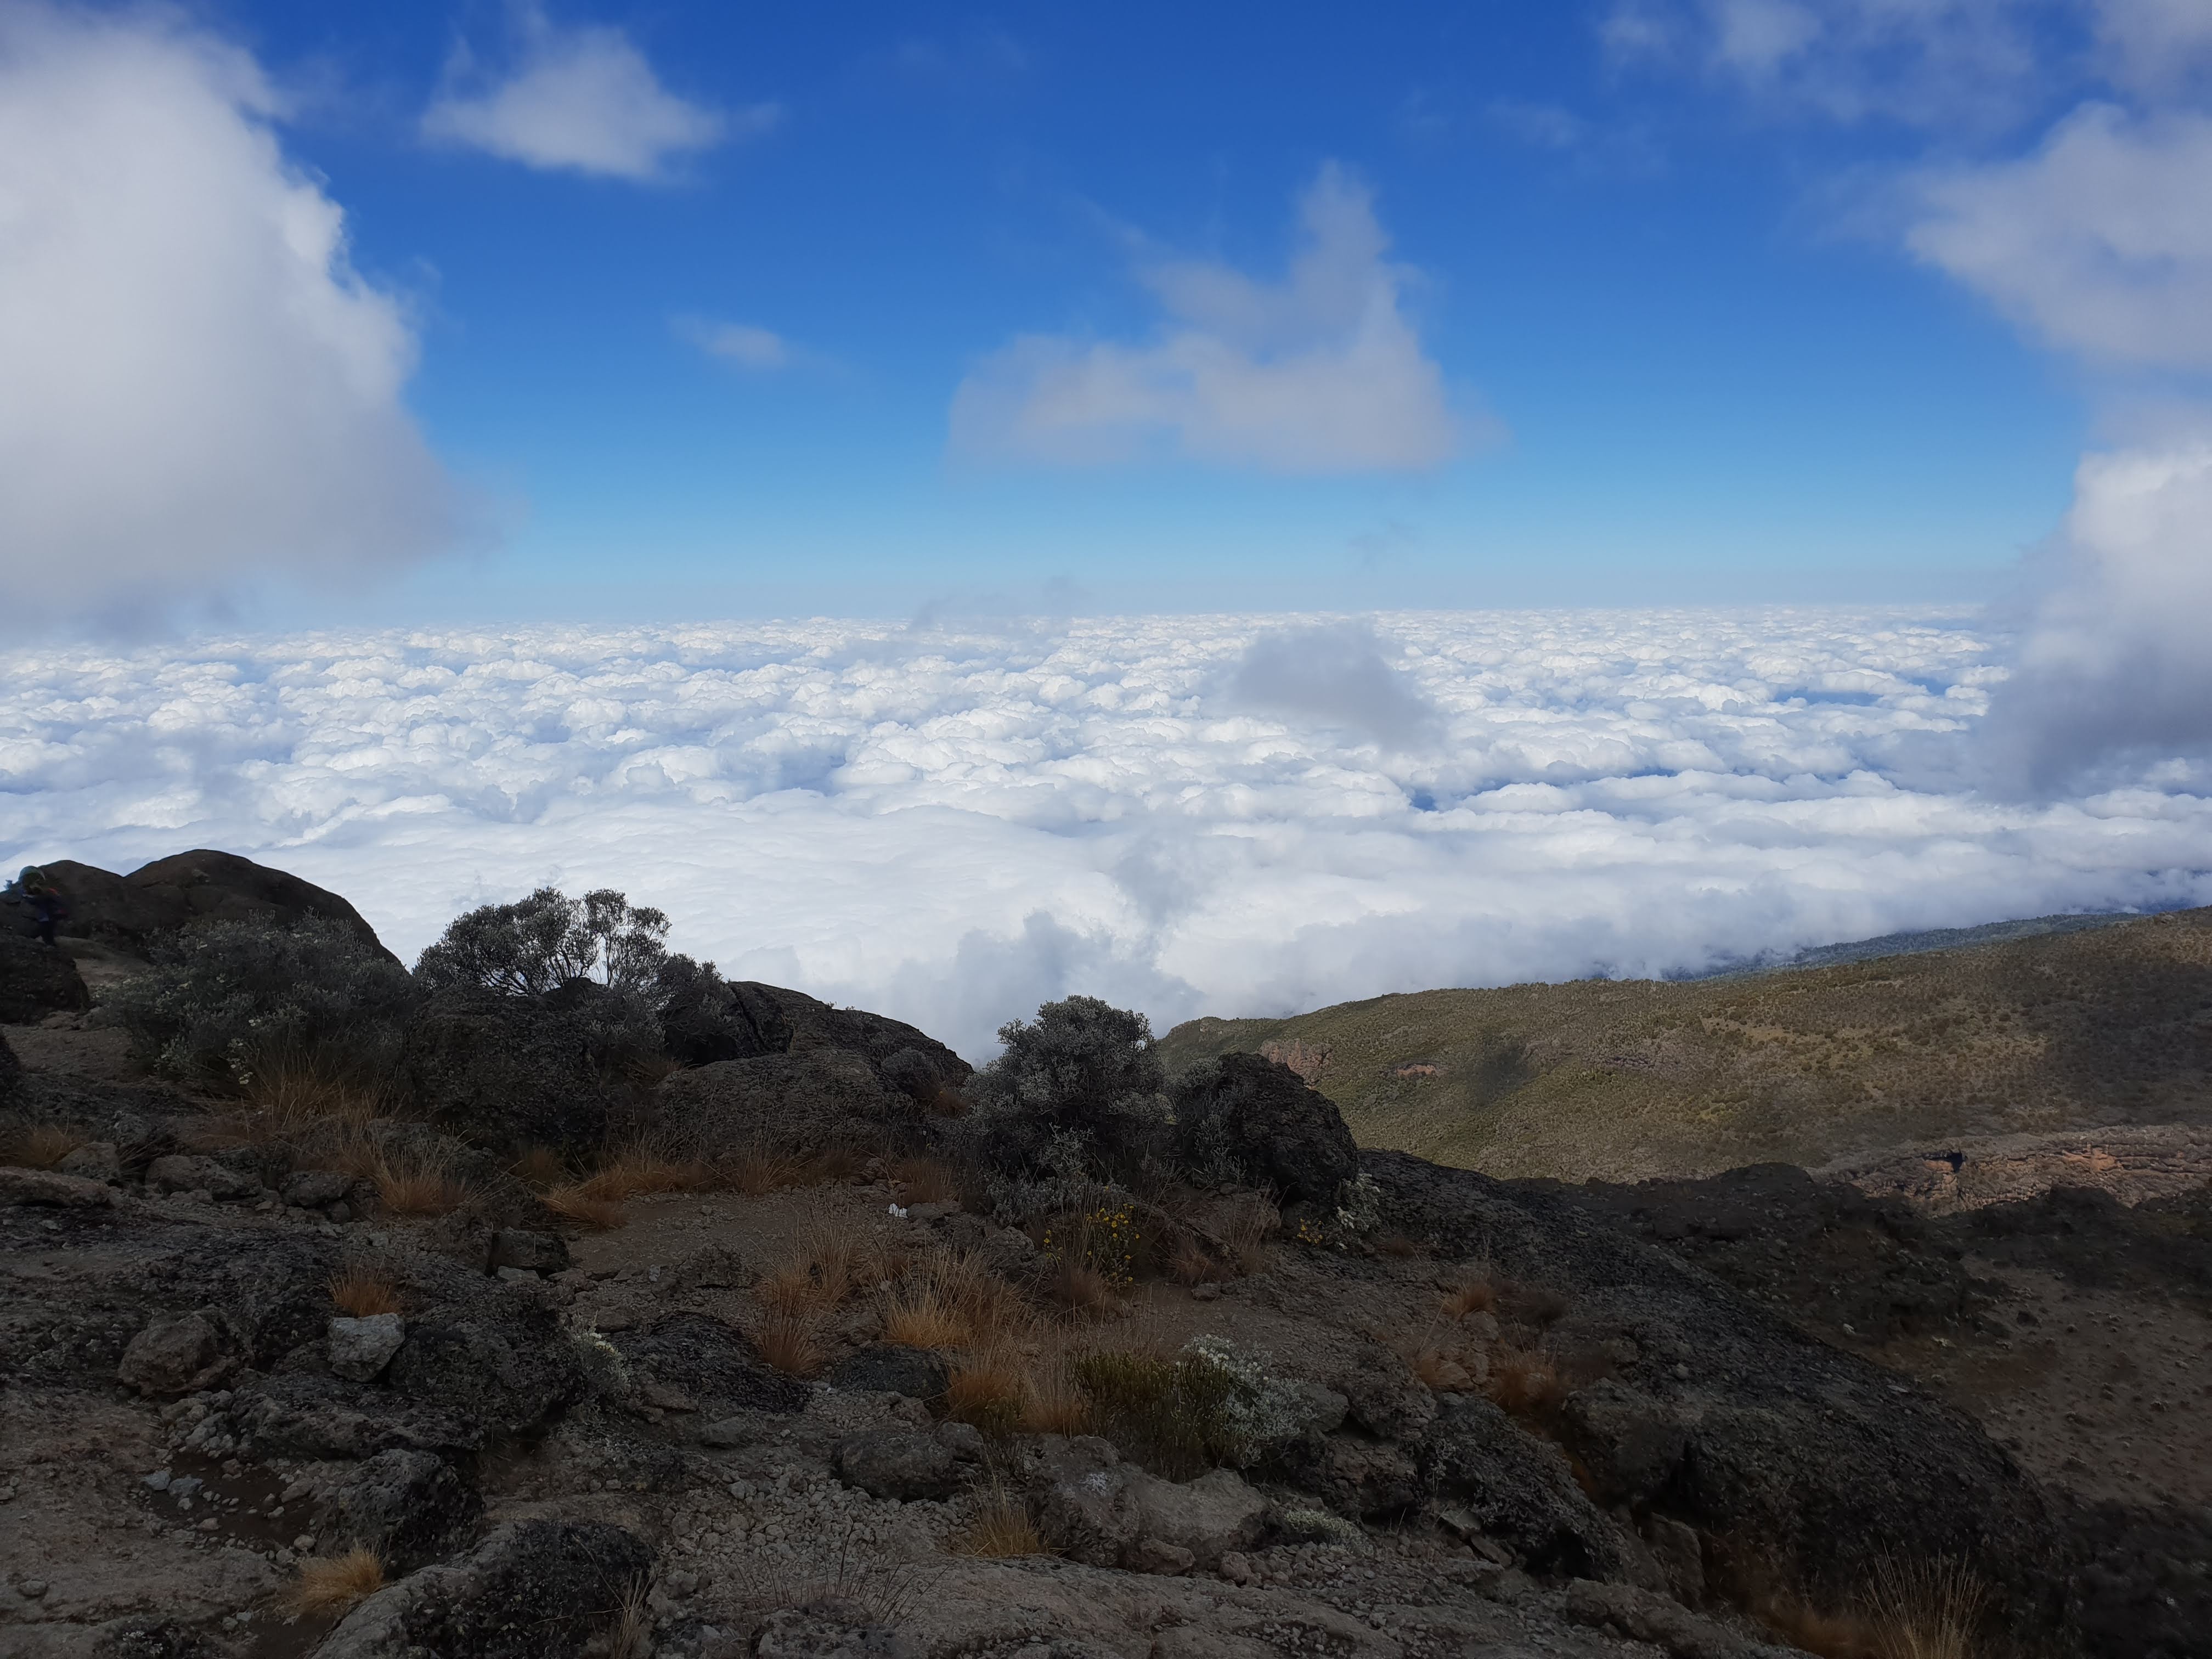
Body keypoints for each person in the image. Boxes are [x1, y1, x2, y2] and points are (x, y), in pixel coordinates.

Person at [10, 865, 67, 948]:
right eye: (29, 880)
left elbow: (57, 901)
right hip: (42, 918)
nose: (33, 882)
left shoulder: (48, 892)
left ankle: (50, 945)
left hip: (46, 918)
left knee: (47, 932)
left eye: (35, 879)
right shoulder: (23, 892)